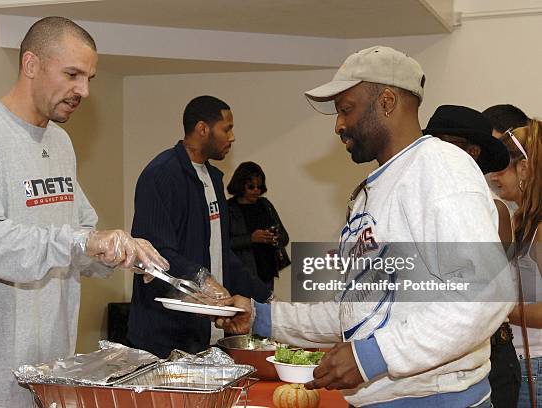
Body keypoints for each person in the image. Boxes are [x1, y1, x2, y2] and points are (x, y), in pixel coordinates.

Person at [218, 46, 513, 407]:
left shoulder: (438, 166)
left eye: (346, 109)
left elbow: (485, 291)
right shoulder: (372, 191)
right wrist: (261, 317)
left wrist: (372, 356)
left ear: (386, 101)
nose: (339, 125)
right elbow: (358, 311)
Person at [0, 17, 168, 407]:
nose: (84, 90)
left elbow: (79, 234)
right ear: (30, 65)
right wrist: (83, 242)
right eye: (73, 74)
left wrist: (118, 253)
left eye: (89, 77)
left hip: (48, 371)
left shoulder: (59, 142)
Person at [127, 95, 272, 358]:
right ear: (203, 129)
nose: (233, 136)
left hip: (204, 332)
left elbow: (221, 252)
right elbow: (154, 253)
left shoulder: (213, 178)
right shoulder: (161, 175)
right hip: (165, 335)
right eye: (227, 128)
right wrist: (203, 280)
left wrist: (266, 299)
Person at [424, 104, 519, 408]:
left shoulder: (493, 209)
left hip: (486, 352)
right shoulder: (417, 199)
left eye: (443, 145)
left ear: (473, 152)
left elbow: (481, 290)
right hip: (431, 357)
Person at [489, 121, 541, 408]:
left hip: (537, 365)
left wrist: (500, 311)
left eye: (502, 167)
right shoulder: (519, 220)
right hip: (521, 361)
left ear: (524, 169)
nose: (494, 176)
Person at [226, 161, 290, 292]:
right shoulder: (228, 209)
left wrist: (274, 237)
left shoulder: (265, 204)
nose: (256, 190)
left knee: (265, 310)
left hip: (267, 271)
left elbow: (285, 237)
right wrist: (251, 239)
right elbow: (222, 244)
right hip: (241, 275)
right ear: (240, 185)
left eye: (259, 187)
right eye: (251, 186)